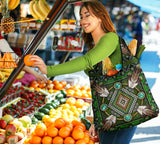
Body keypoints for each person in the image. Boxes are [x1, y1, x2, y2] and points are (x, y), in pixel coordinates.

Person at [29, 1, 136, 143]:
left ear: (100, 17)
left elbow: (86, 61)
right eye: (81, 16)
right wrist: (96, 120)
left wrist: (48, 69)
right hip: (108, 113)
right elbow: (99, 87)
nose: (82, 20)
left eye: (87, 15)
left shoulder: (110, 38)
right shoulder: (95, 47)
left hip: (123, 111)